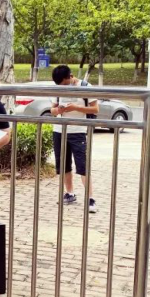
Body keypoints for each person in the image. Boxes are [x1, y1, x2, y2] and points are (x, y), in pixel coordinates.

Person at [50, 65, 98, 213]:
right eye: (60, 86)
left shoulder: (85, 87)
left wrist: (76, 108)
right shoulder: (57, 88)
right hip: (59, 130)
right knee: (64, 165)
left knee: (83, 166)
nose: (63, 88)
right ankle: (70, 193)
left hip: (78, 131)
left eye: (65, 84)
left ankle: (90, 199)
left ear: (70, 77)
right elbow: (52, 110)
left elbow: (95, 109)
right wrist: (59, 110)